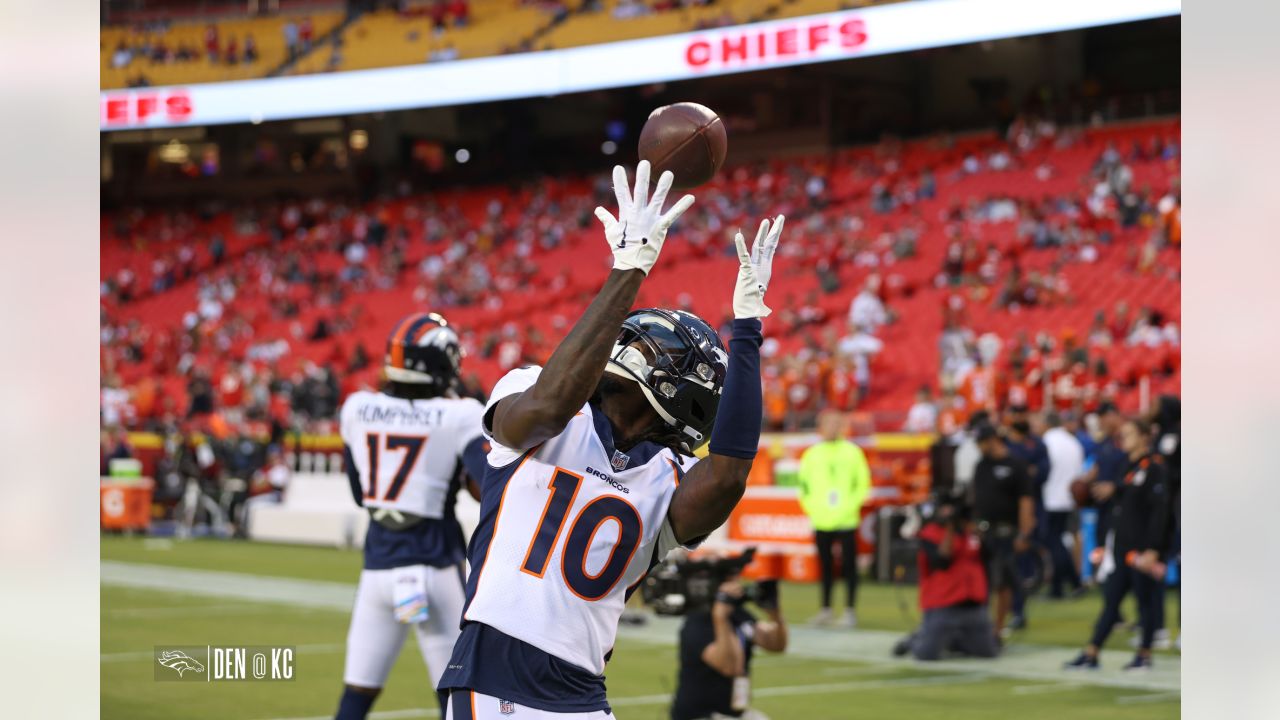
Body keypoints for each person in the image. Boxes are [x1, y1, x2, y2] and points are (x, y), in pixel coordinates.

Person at [436, 161, 785, 718]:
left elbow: (727, 475)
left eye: (648, 349)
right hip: (494, 675)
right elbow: (549, 407)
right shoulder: (537, 393)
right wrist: (629, 267)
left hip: (584, 692)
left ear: (675, 389)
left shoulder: (665, 478)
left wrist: (747, 329)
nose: (628, 347)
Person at [333, 312, 491, 720]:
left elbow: (359, 493)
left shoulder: (357, 408)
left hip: (378, 570)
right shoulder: (459, 414)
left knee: (357, 694)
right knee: (455, 696)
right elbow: (492, 488)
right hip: (436, 565)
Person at [1065, 418, 1171, 671]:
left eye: (1129, 433)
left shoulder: (1155, 468)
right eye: (1122, 434)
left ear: (1145, 436)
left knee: (1144, 601)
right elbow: (1115, 498)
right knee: (1111, 600)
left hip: (1141, 548)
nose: (1123, 439)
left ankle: (1144, 654)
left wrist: (1154, 549)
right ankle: (1092, 652)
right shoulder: (1125, 464)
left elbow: (1161, 511)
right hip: (1122, 545)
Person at [670, 571, 788, 719]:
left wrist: (774, 613)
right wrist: (721, 618)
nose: (738, 585)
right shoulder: (698, 621)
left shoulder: (738, 614)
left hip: (732, 712)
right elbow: (730, 667)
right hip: (700, 714)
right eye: (732, 580)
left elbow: (776, 645)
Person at [895, 497, 998, 661]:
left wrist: (978, 534)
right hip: (944, 603)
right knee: (926, 655)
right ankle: (915, 641)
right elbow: (942, 562)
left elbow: (990, 556)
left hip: (973, 605)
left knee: (988, 652)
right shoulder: (931, 534)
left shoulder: (971, 535)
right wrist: (950, 530)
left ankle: (953, 641)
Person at [797, 409, 871, 627]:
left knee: (849, 567)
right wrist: (812, 508)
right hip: (821, 519)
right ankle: (826, 610)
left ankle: (849, 611)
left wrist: (850, 506)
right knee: (825, 567)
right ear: (821, 426)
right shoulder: (812, 453)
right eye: (828, 424)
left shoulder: (852, 452)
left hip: (847, 519)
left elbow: (863, 483)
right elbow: (804, 486)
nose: (832, 428)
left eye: (835, 424)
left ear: (841, 427)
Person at [970, 423, 1036, 642]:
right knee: (981, 581)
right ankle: (980, 626)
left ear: (992, 440)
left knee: (1003, 582)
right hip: (983, 533)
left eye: (981, 442)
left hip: (1006, 532)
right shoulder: (981, 465)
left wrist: (1024, 533)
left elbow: (1026, 502)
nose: (979, 447)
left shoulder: (1016, 465)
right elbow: (975, 498)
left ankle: (998, 629)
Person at [1040, 412, 1084, 598]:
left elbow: (1044, 470)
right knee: (1059, 541)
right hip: (1070, 498)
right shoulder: (1073, 442)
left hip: (1051, 498)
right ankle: (1065, 585)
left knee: (1054, 543)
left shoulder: (1047, 441)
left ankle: (1068, 584)